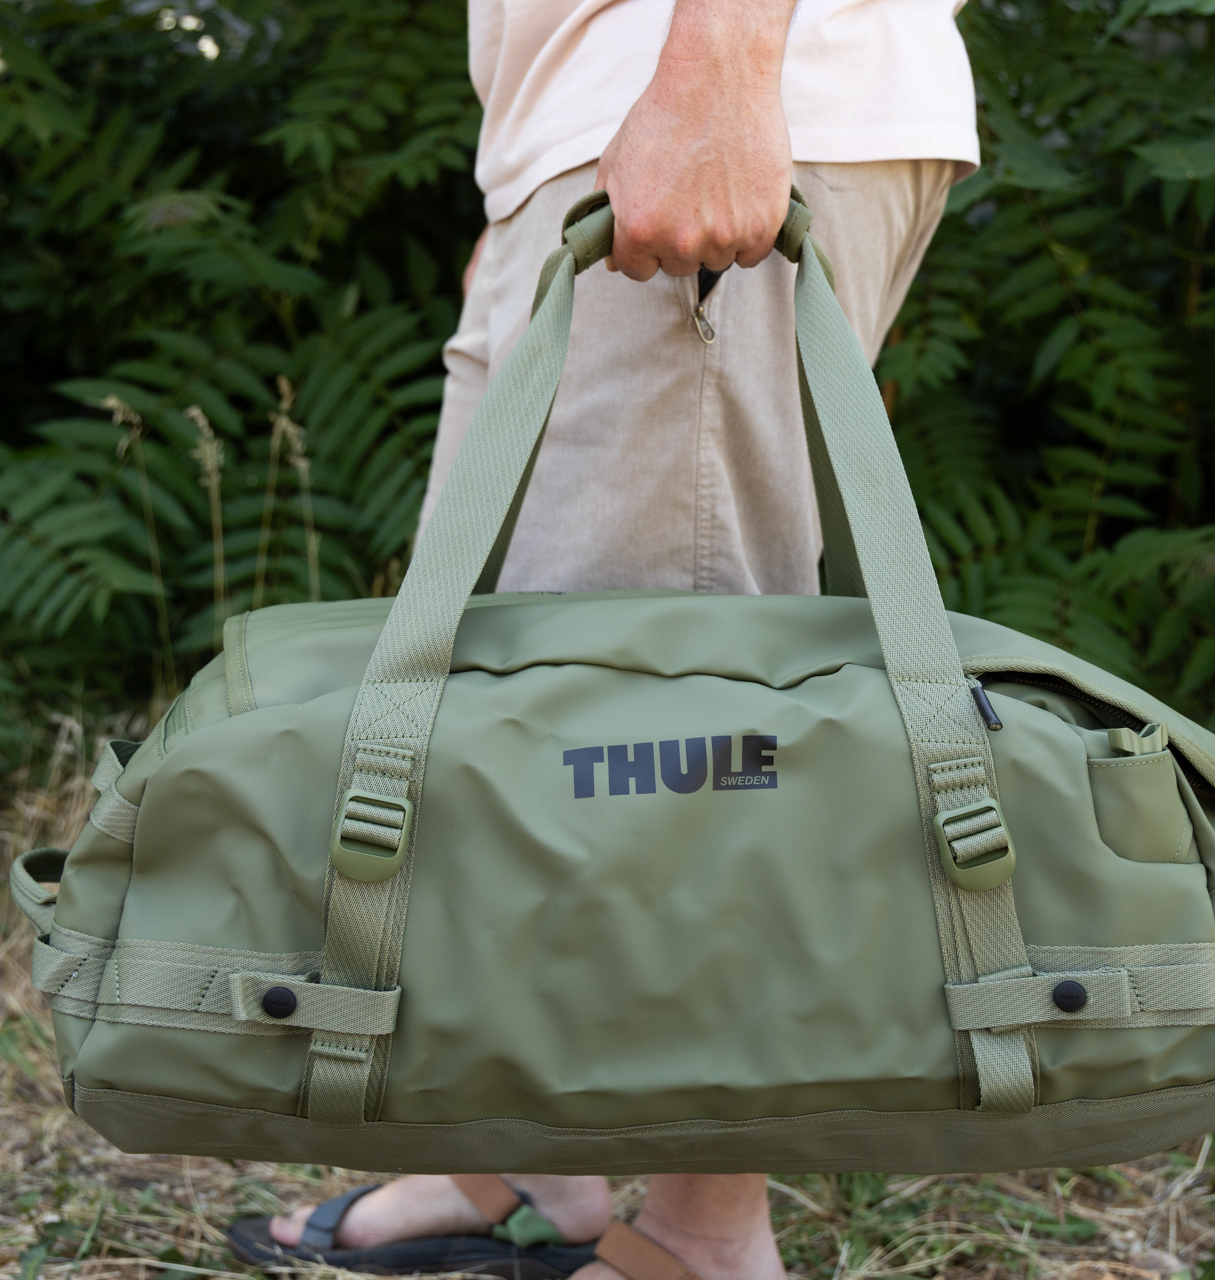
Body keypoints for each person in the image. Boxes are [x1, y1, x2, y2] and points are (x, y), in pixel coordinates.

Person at [228, 0, 977, 1274]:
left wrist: (718, 69)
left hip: (701, 89)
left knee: (693, 752)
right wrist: (530, 155)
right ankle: (537, 1161)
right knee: (528, 722)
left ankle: (703, 1233)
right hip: (597, 119)